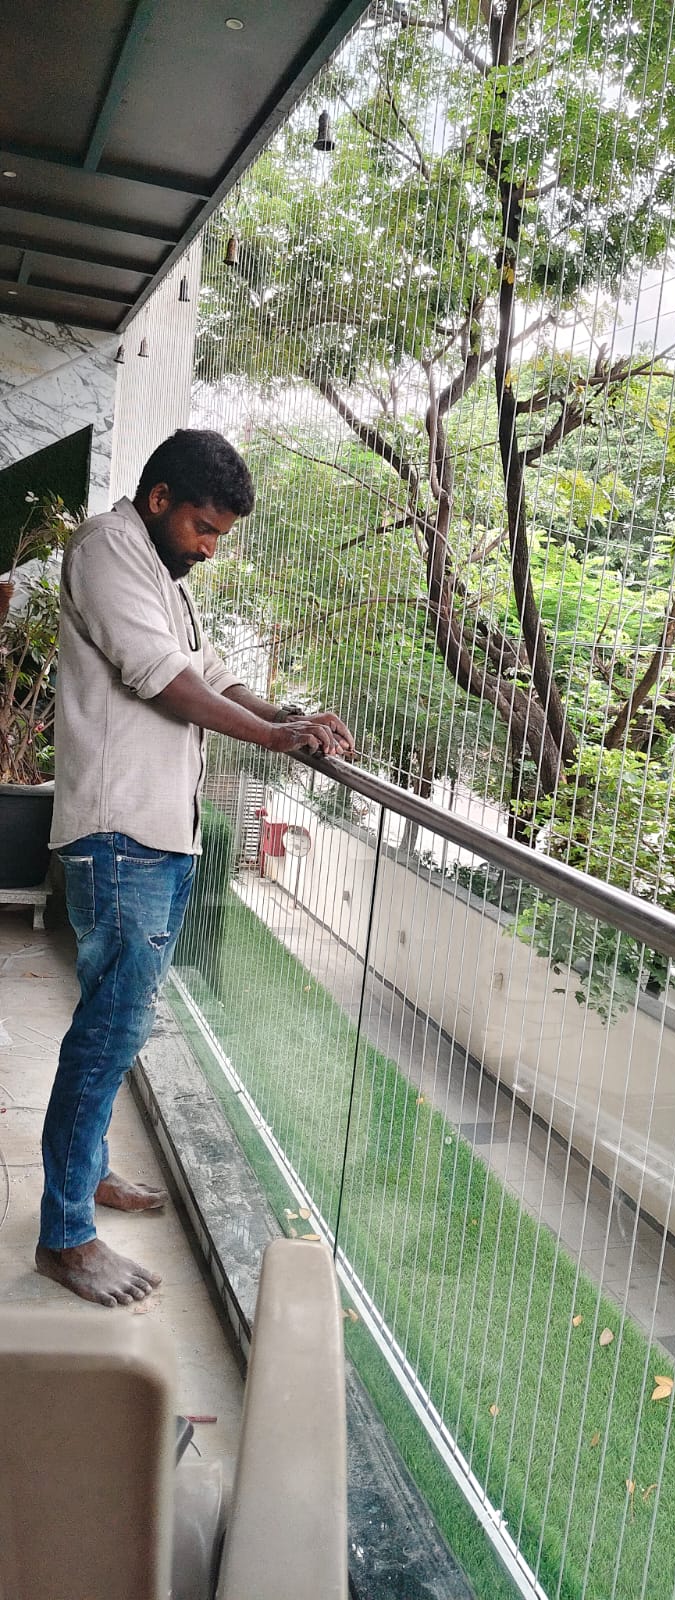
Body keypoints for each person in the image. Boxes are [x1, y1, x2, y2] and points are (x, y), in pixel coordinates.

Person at [37, 428, 353, 1307]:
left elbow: (209, 673)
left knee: (117, 1025)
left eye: (220, 536)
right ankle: (64, 1237)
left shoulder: (161, 574)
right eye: (203, 529)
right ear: (159, 499)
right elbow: (161, 680)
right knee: (107, 1037)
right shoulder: (108, 548)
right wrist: (273, 739)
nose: (210, 549)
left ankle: (89, 1171)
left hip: (158, 839)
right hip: (119, 836)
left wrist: (286, 714)